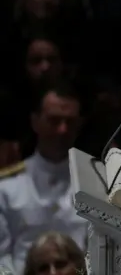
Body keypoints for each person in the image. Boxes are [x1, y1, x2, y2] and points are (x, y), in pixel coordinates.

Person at [0, 80, 88, 274]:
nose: (62, 130)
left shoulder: (95, 184)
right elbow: (1, 257)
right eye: (54, 120)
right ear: (35, 121)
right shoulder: (7, 187)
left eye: (70, 122)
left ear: (80, 125)